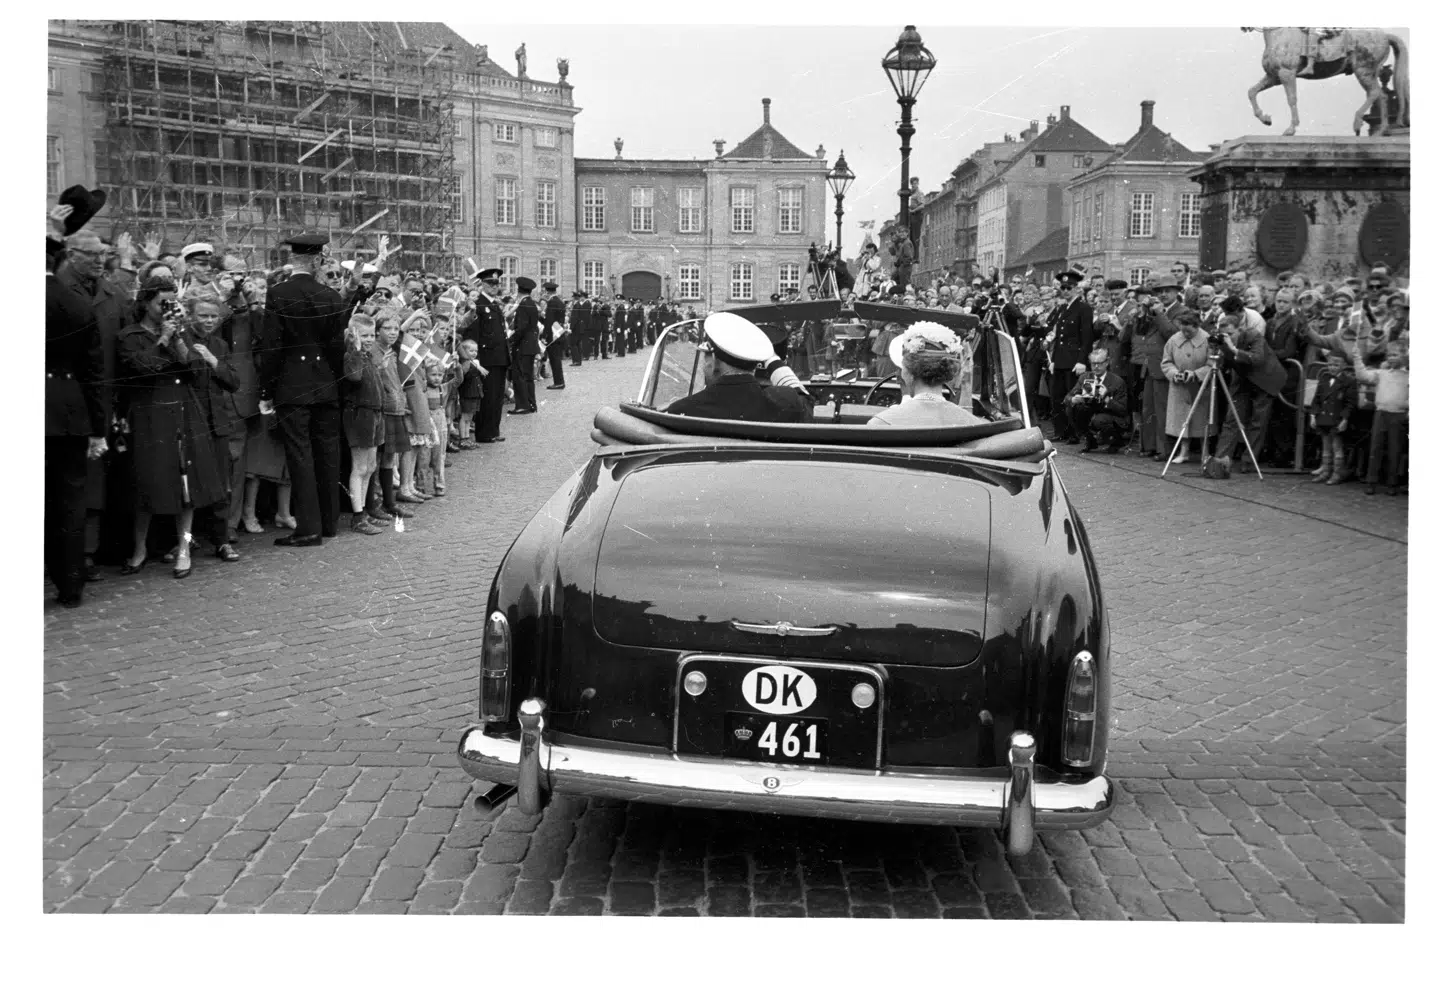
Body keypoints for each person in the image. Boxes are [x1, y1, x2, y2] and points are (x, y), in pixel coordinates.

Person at [116, 276, 228, 578]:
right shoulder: (130, 334)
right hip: (149, 414)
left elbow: (196, 372)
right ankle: (139, 549)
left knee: (186, 485)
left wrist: (178, 339)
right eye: (161, 302)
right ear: (146, 303)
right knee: (146, 484)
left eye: (172, 302)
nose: (168, 308)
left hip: (183, 411)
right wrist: (162, 338)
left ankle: (184, 548)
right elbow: (138, 368)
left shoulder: (183, 333)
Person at [257, 232, 347, 547]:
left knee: (300, 454)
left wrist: (266, 389)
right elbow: (337, 349)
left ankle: (308, 527)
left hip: (291, 384)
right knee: (327, 453)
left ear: (293, 260)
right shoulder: (332, 296)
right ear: (318, 259)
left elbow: (271, 347)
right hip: (326, 383)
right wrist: (334, 380)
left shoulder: (278, 293)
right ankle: (329, 523)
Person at [46, 209, 108, 607]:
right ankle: (70, 587)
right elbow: (93, 371)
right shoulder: (77, 303)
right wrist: (99, 427)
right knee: (68, 501)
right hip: (69, 409)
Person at [185, 289, 244, 563]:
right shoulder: (182, 340)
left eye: (213, 316)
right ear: (190, 315)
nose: (209, 321)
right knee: (189, 486)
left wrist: (213, 360)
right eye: (203, 316)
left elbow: (234, 381)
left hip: (218, 423)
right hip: (190, 423)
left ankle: (221, 542)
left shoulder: (219, 345)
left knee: (222, 485)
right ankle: (186, 541)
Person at [665, 312, 810, 423]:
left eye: (705, 357)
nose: (704, 365)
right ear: (754, 364)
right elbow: (804, 399)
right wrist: (772, 360)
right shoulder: (787, 403)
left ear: (714, 360)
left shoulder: (682, 411)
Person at [1209, 296, 1288, 477]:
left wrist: (1234, 349)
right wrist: (1218, 352)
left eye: (1231, 334)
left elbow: (1257, 359)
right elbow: (1224, 363)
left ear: (1240, 328)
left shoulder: (1253, 334)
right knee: (1232, 418)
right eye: (1224, 334)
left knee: (1257, 421)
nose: (1228, 337)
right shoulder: (1224, 339)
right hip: (1243, 376)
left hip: (1265, 378)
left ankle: (1248, 461)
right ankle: (1221, 460)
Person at [867, 322, 984, 427]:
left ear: (907, 373)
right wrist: (966, 383)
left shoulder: (881, 423)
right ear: (946, 372)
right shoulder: (972, 423)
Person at [340, 313, 387, 535]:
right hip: (360, 415)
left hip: (375, 415)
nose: (369, 339)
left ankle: (365, 511)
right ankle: (357, 516)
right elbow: (355, 377)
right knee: (359, 468)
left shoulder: (368, 356)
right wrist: (356, 348)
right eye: (364, 335)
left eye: (371, 335)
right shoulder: (352, 355)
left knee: (370, 466)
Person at [1351, 345, 1407, 495]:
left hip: (1398, 414)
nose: (1391, 358)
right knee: (1375, 448)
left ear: (1404, 356)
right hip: (1380, 413)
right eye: (1389, 355)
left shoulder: (1408, 375)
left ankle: (1392, 483)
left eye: (1395, 355)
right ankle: (1371, 481)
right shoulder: (1381, 373)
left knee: (1395, 450)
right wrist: (1357, 358)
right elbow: (1363, 376)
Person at [1159, 308, 1213, 464]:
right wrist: (1174, 373)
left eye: (1189, 332)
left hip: (1201, 387)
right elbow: (1166, 361)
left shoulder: (1207, 340)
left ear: (1197, 327)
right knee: (1182, 419)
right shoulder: (1174, 340)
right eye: (1183, 331)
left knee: (1202, 420)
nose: (1186, 334)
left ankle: (1205, 453)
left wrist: (1196, 374)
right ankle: (1184, 452)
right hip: (1180, 387)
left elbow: (1212, 364)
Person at [1046, 270, 1094, 442]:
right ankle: (1061, 431)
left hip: (1074, 360)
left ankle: (1074, 432)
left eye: (1069, 287)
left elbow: (1087, 337)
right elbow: (1059, 336)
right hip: (1060, 360)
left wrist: (1082, 360)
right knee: (1057, 397)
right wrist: (1054, 359)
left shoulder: (1084, 308)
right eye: (1063, 288)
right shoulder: (1062, 309)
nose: (1065, 291)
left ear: (1077, 289)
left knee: (1072, 397)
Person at [1063, 347, 1131, 453]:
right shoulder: (1085, 377)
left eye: (1099, 363)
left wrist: (1107, 398)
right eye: (1093, 363)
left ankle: (1116, 441)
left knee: (1099, 420)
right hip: (1092, 411)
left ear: (1107, 362)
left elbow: (1123, 410)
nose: (1096, 367)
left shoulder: (1117, 381)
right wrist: (1073, 399)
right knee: (1072, 409)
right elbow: (1067, 398)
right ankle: (1089, 439)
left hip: (1111, 415)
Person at [1308, 348, 1357, 486]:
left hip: (1336, 418)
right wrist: (1313, 415)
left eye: (1336, 365)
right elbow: (1317, 399)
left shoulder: (1348, 381)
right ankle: (1325, 471)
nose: (1332, 368)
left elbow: (1350, 403)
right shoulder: (1324, 378)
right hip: (1323, 418)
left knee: (1337, 446)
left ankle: (1337, 473)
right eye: (1330, 365)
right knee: (1326, 446)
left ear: (1343, 366)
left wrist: (1345, 419)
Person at [540, 281, 567, 389]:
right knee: (557, 359)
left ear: (547, 292)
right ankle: (559, 381)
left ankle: (559, 382)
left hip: (553, 335)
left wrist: (544, 336)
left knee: (555, 359)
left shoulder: (552, 302)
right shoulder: (559, 301)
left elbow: (549, 321)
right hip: (558, 332)